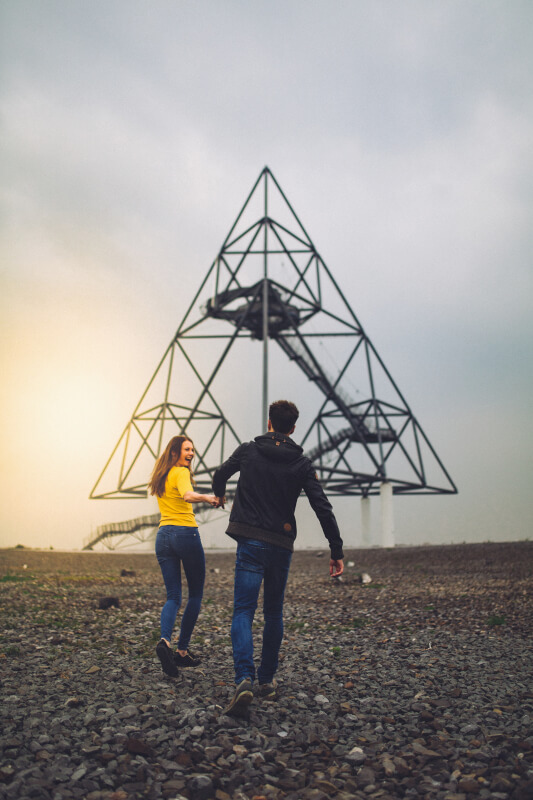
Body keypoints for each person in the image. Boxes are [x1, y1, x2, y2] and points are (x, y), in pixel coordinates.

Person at [212, 399, 344, 717]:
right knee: (273, 613)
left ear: (269, 422)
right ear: (293, 428)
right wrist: (336, 550)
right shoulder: (301, 463)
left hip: (249, 542)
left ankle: (244, 677)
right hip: (280, 544)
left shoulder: (248, 450)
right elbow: (321, 506)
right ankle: (267, 681)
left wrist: (219, 494)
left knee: (243, 611)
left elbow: (220, 474)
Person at [148, 435, 220, 677]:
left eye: (192, 449)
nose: (191, 453)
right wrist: (209, 497)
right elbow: (188, 496)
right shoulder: (180, 473)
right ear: (175, 453)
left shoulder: (161, 476)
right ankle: (181, 651)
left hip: (163, 536)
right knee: (196, 594)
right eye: (186, 449)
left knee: (173, 597)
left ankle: (164, 642)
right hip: (185, 534)